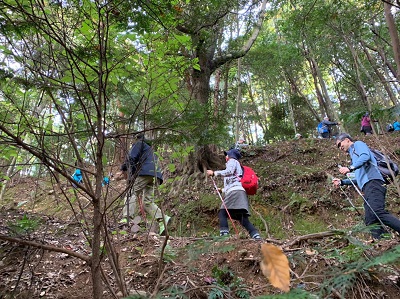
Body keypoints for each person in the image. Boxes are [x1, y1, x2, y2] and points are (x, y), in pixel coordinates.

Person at [332, 133, 400, 239]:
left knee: (377, 212)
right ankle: (383, 243)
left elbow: (365, 155)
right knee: (370, 220)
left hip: (374, 182)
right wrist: (342, 182)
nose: (339, 147)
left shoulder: (358, 145)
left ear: (347, 140)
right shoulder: (354, 157)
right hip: (367, 187)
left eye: (339, 144)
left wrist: (350, 168)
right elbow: (358, 178)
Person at [119, 134, 169, 234]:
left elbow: (131, 159)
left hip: (144, 173)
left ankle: (126, 219)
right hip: (155, 175)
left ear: (137, 138)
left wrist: (124, 169)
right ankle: (163, 219)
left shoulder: (139, 144)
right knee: (147, 202)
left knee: (131, 192)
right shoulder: (150, 149)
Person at [206, 149, 261, 240]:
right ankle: (255, 235)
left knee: (222, 212)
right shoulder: (236, 165)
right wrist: (222, 190)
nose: (225, 156)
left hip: (235, 192)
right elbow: (233, 182)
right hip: (239, 192)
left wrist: (214, 173)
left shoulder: (232, 161)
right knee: (242, 218)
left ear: (230, 155)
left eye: (226, 154)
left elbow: (229, 172)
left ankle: (224, 235)